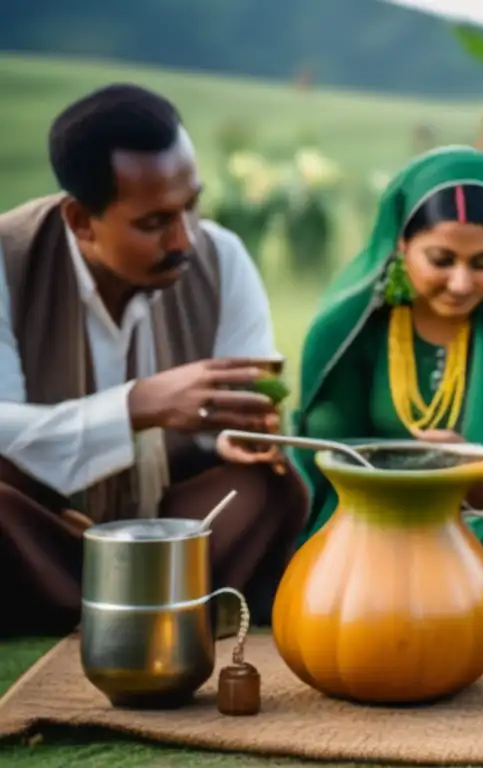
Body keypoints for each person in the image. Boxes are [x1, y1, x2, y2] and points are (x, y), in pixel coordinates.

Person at [0, 84, 308, 637]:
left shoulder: (223, 258)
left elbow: (249, 403)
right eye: (154, 222)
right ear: (80, 220)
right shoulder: (7, 261)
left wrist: (238, 434)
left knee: (268, 488)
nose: (185, 238)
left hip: (177, 524)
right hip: (38, 523)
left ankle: (90, 607)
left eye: (191, 205)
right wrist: (138, 406)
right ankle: (159, 609)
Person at [218, 146, 483, 587]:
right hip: (364, 537)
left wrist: (480, 471)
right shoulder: (349, 331)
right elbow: (322, 460)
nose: (462, 283)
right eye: (441, 260)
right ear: (402, 244)